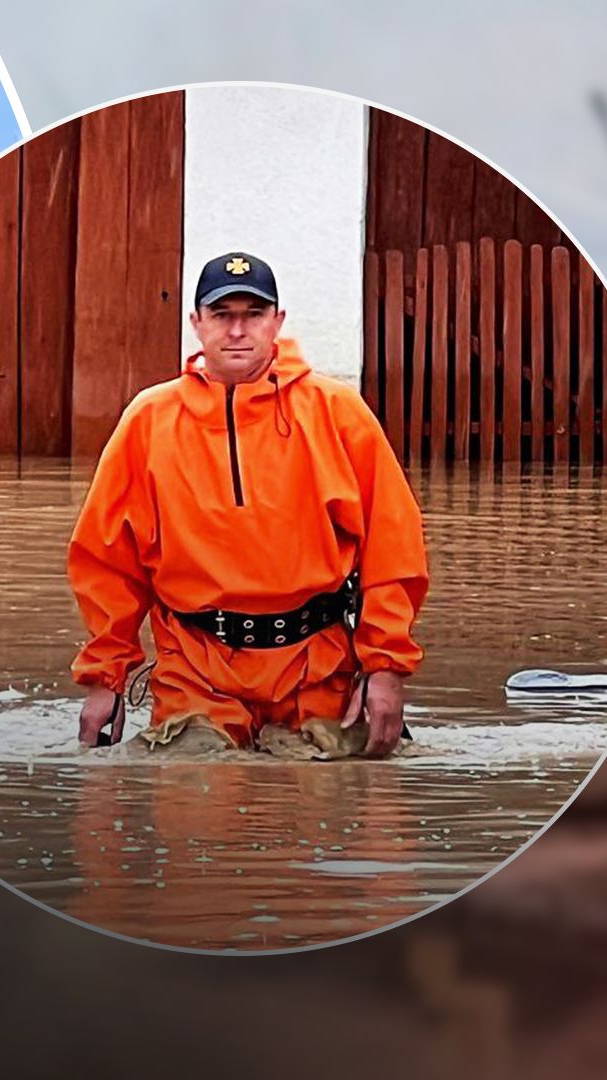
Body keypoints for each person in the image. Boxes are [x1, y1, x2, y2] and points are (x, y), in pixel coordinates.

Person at [68, 251, 429, 758]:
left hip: (318, 673)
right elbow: (108, 561)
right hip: (195, 672)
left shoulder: (338, 412)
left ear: (276, 322)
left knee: (337, 810)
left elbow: (393, 550)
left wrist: (385, 669)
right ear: (196, 323)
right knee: (195, 803)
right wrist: (106, 679)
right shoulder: (148, 421)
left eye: (253, 314)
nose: (237, 330)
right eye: (222, 315)